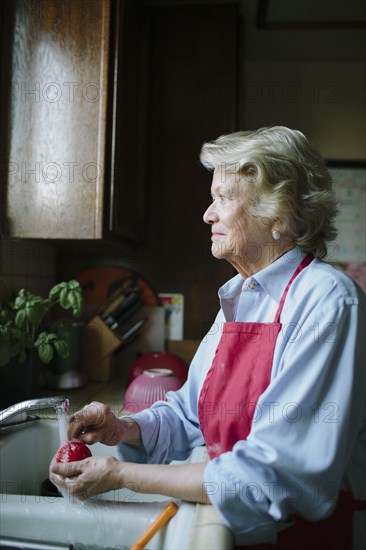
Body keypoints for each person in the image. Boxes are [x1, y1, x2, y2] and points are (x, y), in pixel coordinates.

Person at [50, 126, 366, 549]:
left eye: (223, 197)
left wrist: (122, 475)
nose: (208, 214)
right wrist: (122, 429)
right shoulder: (241, 295)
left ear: (279, 215)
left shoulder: (328, 301)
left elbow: (276, 474)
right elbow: (189, 414)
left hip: (309, 537)